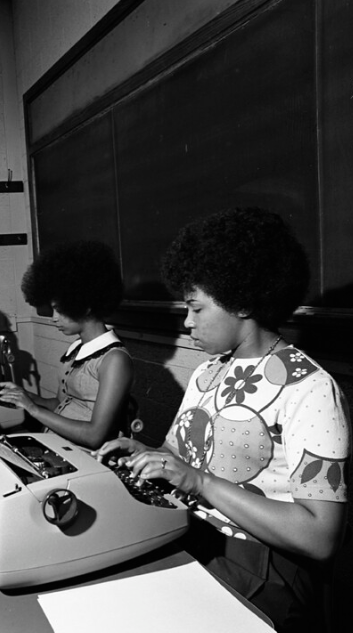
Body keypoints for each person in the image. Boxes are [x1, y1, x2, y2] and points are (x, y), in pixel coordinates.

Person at [95, 208, 350, 633]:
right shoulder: (209, 371)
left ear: (243, 300)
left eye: (196, 308)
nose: (187, 322)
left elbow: (320, 538)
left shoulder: (311, 390)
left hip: (264, 565)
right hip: (190, 531)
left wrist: (200, 483)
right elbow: (180, 460)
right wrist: (145, 454)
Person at [0, 241, 134, 450]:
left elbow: (95, 436)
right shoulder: (77, 348)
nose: (54, 318)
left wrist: (32, 409)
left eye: (60, 309)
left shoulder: (115, 360)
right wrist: (23, 396)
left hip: (87, 458)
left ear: (85, 305)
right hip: (56, 445)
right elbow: (59, 405)